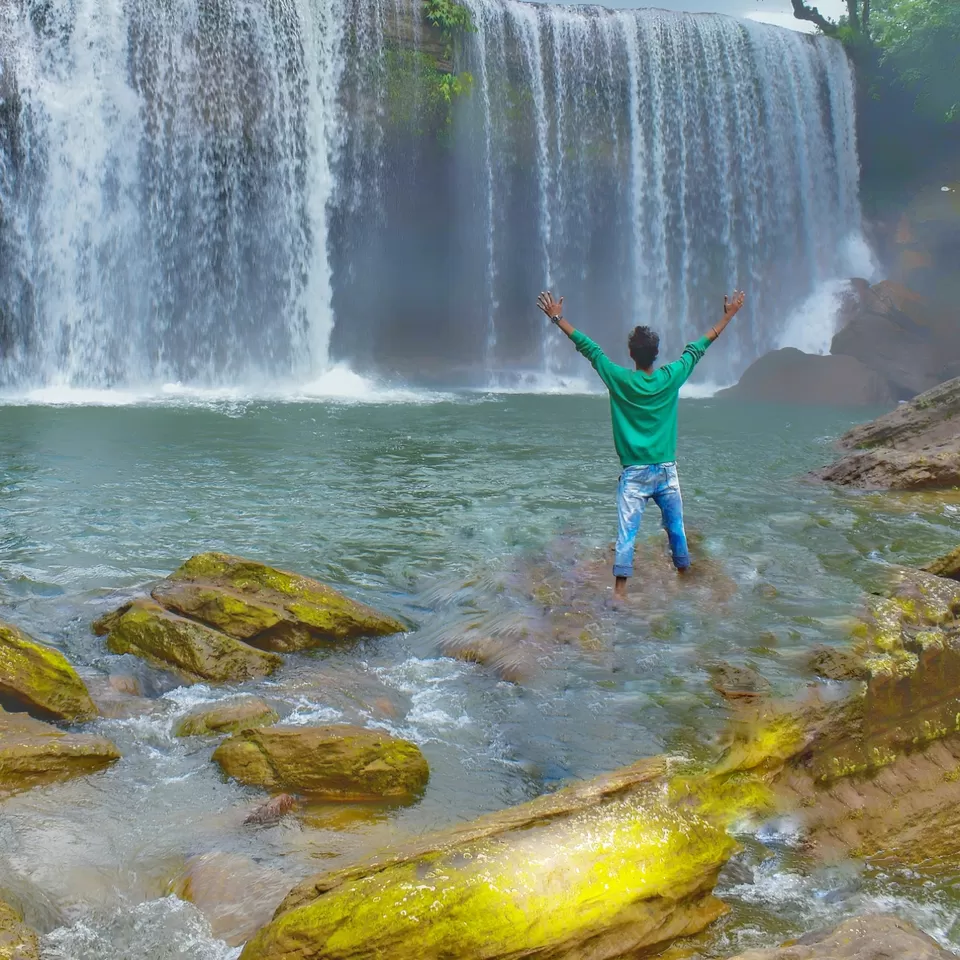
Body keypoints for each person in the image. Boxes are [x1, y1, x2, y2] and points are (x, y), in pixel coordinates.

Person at [536, 289, 746, 601]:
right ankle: (684, 578)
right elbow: (699, 347)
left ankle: (620, 593)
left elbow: (590, 349)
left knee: (626, 534)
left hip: (633, 474)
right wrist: (729, 314)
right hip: (665, 471)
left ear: (632, 355)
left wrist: (557, 318)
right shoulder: (670, 377)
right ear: (657, 354)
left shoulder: (619, 379)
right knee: (676, 529)